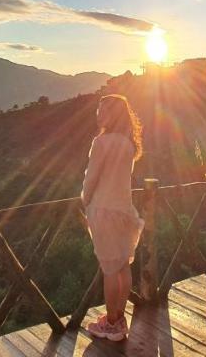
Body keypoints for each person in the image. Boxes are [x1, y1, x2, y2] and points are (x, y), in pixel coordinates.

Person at [81, 94, 144, 342]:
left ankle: (111, 323)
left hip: (103, 210)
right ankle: (119, 320)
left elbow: (92, 177)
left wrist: (84, 200)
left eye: (102, 110)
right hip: (124, 210)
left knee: (109, 269)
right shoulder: (129, 144)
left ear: (111, 114)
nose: (98, 114)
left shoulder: (101, 141)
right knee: (122, 266)